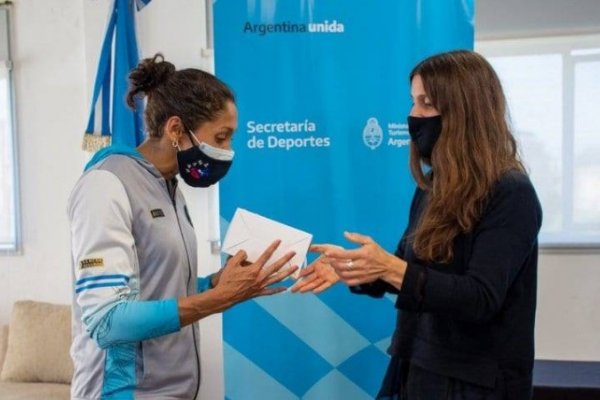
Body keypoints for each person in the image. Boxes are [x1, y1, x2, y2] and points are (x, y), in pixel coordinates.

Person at [293, 50, 543, 399]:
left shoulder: (511, 193)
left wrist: (391, 268)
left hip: (476, 383)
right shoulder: (434, 185)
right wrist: (358, 267)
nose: (413, 116)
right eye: (413, 102)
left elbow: (481, 297)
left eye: (426, 103)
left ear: (464, 111)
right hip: (417, 364)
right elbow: (411, 270)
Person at [68, 54, 297, 400]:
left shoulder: (169, 187)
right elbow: (106, 321)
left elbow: (160, 290)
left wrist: (217, 283)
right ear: (175, 129)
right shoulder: (106, 184)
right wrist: (215, 300)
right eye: (221, 137)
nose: (228, 150)